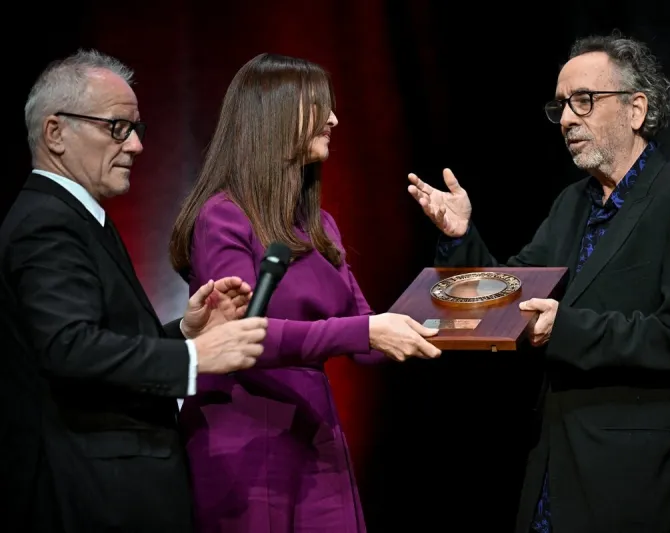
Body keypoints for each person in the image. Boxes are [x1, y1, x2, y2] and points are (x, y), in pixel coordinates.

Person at [408, 31, 670, 533]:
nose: (566, 119)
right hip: (560, 465)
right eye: (560, 105)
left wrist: (568, 329)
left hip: (642, 477)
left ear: (636, 109)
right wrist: (461, 236)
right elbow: (509, 293)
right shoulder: (571, 203)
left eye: (584, 101)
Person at [168, 52, 441, 533]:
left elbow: (369, 344)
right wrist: (367, 331)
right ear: (274, 113)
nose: (334, 118)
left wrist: (456, 312)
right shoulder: (223, 216)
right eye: (320, 106)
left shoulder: (321, 227)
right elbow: (244, 340)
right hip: (245, 441)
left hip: (315, 436)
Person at [0, 49, 269, 533]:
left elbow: (98, 338)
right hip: (93, 494)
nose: (137, 147)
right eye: (117, 128)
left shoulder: (74, 216)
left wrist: (185, 332)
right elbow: (69, 348)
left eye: (135, 129)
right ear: (55, 133)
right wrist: (196, 358)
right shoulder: (47, 222)